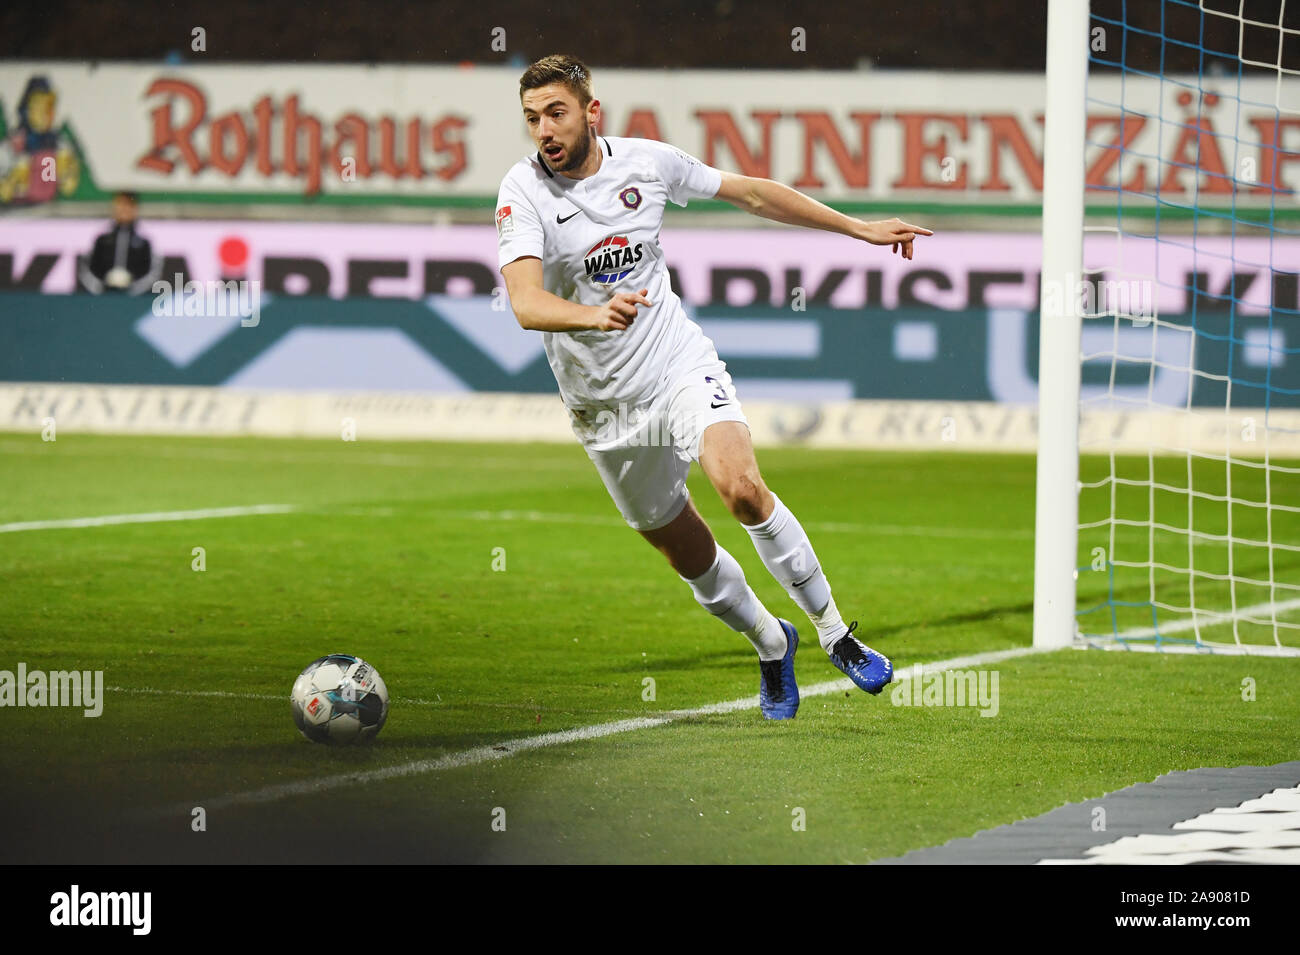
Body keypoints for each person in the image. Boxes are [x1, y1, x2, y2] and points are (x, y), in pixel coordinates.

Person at [496, 54, 933, 719]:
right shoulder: (522, 191)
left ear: (591, 112)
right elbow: (525, 303)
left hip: (676, 365)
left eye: (556, 113)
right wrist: (591, 314)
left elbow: (753, 192)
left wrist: (857, 227)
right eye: (532, 119)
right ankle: (769, 640)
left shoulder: (647, 163)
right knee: (685, 551)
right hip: (602, 409)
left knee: (741, 487)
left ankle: (836, 634)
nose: (544, 131)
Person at [79, 191, 159, 294]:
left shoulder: (144, 243)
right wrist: (102, 289)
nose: (124, 210)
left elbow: (152, 274)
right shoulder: (102, 240)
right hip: (103, 300)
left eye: (128, 206)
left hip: (134, 302)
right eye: (120, 205)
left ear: (135, 209)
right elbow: (86, 271)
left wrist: (131, 290)